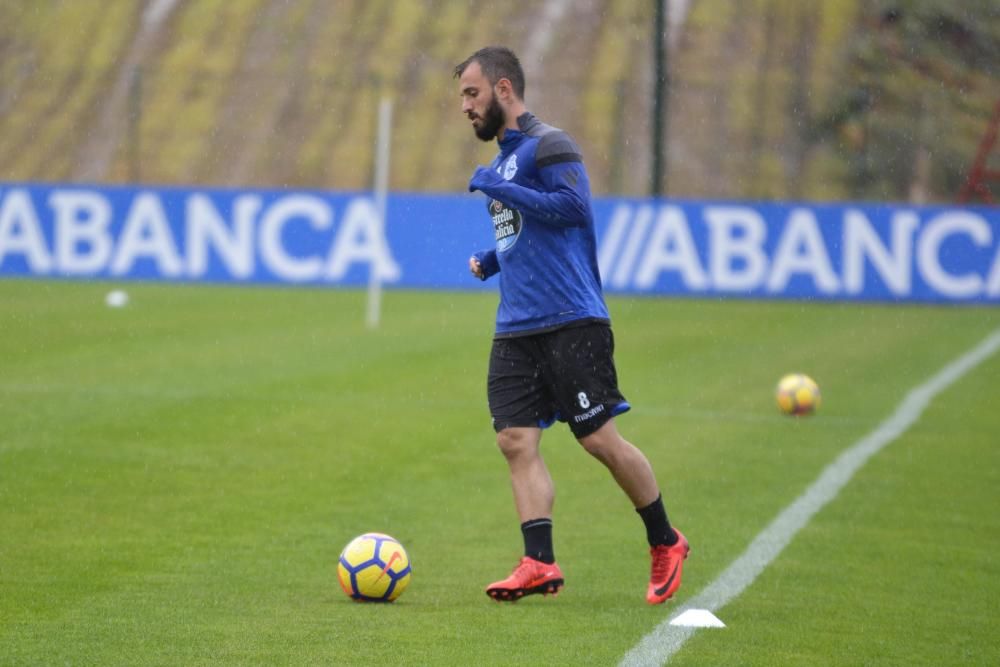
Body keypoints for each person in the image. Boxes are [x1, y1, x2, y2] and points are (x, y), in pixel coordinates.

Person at [454, 46, 689, 605]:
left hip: (571, 319)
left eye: (472, 93)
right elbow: (529, 229)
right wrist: (493, 259)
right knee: (514, 439)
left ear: (504, 89)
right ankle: (538, 562)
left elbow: (570, 208)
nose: (464, 106)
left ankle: (666, 539)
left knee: (598, 439)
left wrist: (498, 187)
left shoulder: (550, 144)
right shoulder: (507, 159)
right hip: (516, 323)